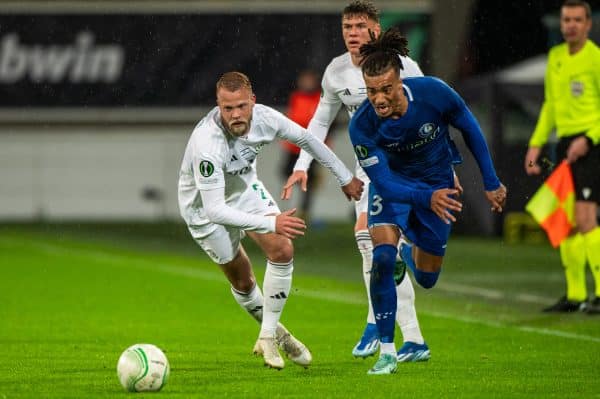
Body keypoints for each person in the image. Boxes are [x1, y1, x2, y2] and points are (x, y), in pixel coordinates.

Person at [282, 0, 436, 362]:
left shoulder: (404, 68)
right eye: (347, 26)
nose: (352, 33)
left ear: (375, 30)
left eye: (359, 26)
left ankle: (381, 324)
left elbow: (431, 110)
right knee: (372, 245)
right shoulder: (336, 71)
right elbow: (320, 122)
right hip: (369, 165)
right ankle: (409, 337)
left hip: (406, 161)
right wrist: (303, 162)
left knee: (371, 240)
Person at [177, 71, 363, 370]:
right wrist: (272, 223)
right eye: (228, 108)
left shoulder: (266, 117)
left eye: (241, 106)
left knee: (282, 249)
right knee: (242, 278)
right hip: (203, 209)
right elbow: (215, 210)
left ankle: (266, 335)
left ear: (253, 101)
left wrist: (344, 176)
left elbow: (306, 139)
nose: (235, 115)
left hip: (244, 190)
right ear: (218, 105)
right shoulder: (207, 144)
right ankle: (278, 333)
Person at [348, 28, 507, 374]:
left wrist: (490, 182)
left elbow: (470, 129)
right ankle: (388, 351)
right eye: (371, 91)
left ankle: (410, 253)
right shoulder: (362, 126)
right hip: (396, 191)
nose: (379, 98)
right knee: (381, 257)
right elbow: (385, 184)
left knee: (428, 278)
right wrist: (425, 197)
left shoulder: (433, 93)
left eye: (386, 89)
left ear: (399, 80)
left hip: (438, 187)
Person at [524, 0, 600, 314]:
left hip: (592, 144)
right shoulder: (555, 57)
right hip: (564, 144)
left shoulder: (595, 58)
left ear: (588, 24)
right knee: (566, 221)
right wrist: (535, 145)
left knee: (585, 218)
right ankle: (575, 294)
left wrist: (589, 138)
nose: (570, 25)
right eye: (566, 19)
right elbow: (550, 106)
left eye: (577, 20)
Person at [279, 69, 323, 222]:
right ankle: (291, 209)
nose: (306, 83)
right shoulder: (296, 97)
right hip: (294, 146)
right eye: (304, 80)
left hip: (313, 147)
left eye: (309, 80)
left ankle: (304, 212)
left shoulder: (320, 98)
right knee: (285, 172)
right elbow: (292, 117)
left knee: (308, 182)